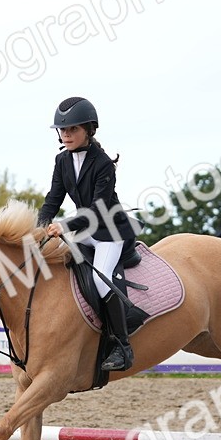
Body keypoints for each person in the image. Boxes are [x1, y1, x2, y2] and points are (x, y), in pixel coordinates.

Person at [37, 96, 139, 371]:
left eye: (72, 130)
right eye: (62, 130)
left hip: (108, 229)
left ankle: (122, 346)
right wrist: (40, 226)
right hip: (83, 229)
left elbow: (98, 207)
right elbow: (53, 198)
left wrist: (65, 225)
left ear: (89, 130)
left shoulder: (103, 162)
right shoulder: (61, 160)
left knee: (101, 281)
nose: (66, 135)